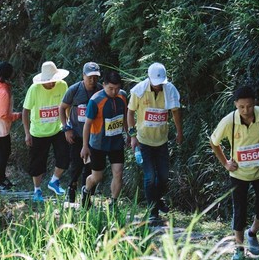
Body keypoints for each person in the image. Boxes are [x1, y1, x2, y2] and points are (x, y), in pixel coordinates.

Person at [209, 85, 259, 260]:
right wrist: (225, 163)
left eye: (249, 106)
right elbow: (213, 141)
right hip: (239, 174)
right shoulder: (229, 121)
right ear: (235, 105)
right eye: (241, 107)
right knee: (239, 211)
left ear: (255, 103)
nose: (245, 110)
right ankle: (239, 249)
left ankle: (252, 232)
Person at [127, 62, 183, 225]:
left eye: (161, 84)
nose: (159, 87)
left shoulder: (170, 89)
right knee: (150, 176)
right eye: (156, 84)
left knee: (164, 175)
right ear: (149, 79)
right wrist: (132, 136)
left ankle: (157, 200)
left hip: (161, 140)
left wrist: (180, 132)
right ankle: (153, 212)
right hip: (144, 140)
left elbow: (175, 112)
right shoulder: (139, 91)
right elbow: (130, 112)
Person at [23, 61, 70, 202]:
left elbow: (66, 106)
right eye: (50, 81)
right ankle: (37, 190)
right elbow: (25, 111)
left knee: (65, 157)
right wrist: (27, 133)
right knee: (37, 163)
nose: (53, 83)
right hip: (38, 132)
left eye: (54, 80)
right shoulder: (34, 89)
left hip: (58, 129)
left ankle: (54, 181)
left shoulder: (62, 85)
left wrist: (68, 125)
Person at [80, 71, 128, 209]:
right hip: (98, 144)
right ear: (104, 85)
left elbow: (124, 116)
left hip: (116, 143)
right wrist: (85, 146)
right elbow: (87, 125)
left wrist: (129, 135)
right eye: (110, 88)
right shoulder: (95, 101)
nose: (114, 92)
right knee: (97, 177)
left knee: (118, 173)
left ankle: (113, 203)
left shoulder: (123, 96)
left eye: (117, 88)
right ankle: (86, 190)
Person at [59, 61, 101, 203]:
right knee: (76, 165)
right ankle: (71, 189)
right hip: (76, 135)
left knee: (90, 166)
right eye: (89, 77)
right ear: (83, 75)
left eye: (95, 77)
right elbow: (62, 108)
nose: (92, 80)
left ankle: (86, 195)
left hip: (94, 136)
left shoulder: (101, 91)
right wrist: (66, 128)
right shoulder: (74, 90)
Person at [0, 62, 20, 191]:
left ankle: (2, 179)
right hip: (0, 127)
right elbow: (3, 114)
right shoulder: (4, 91)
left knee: (5, 153)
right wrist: (18, 115)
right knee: (4, 155)